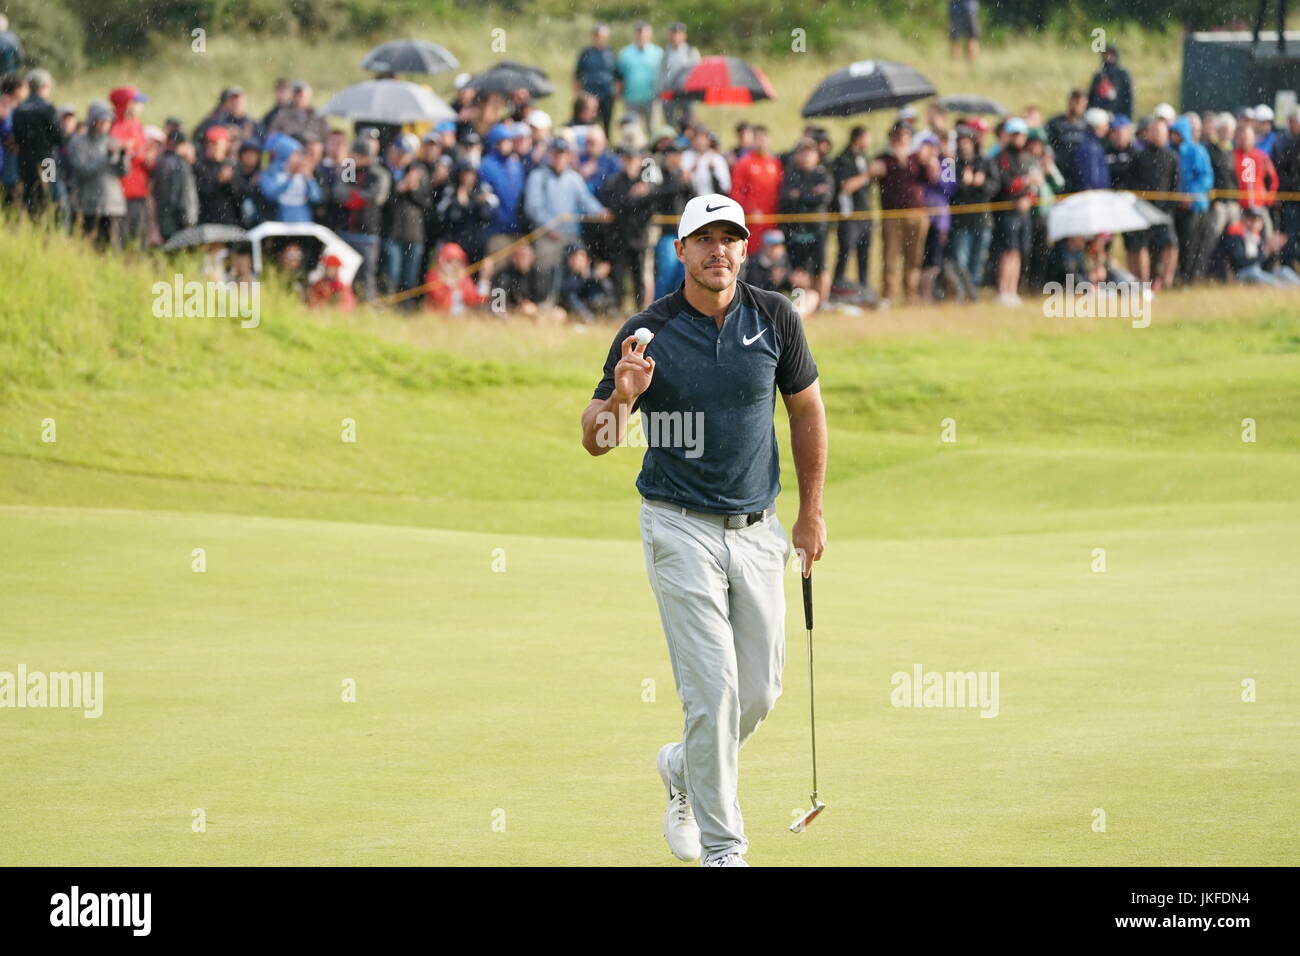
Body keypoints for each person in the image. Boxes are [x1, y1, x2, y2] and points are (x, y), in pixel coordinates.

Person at [580, 192, 826, 867]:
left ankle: (682, 768)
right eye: (705, 239)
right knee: (712, 690)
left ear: (744, 249)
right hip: (677, 526)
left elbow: (807, 411)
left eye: (731, 238)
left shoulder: (774, 316)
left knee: (759, 692)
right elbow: (597, 441)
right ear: (682, 250)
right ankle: (725, 848)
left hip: (758, 529)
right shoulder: (647, 329)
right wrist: (623, 395)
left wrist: (811, 511)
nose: (720, 250)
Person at [524, 137, 607, 291]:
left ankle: (575, 302)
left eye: (563, 154)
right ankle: (545, 303)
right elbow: (533, 207)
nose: (560, 157)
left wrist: (600, 211)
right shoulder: (538, 176)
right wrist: (549, 227)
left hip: (571, 235)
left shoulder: (573, 178)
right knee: (545, 265)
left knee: (581, 266)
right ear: (550, 154)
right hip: (546, 234)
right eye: (556, 153)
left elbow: (586, 200)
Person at [871, 121, 939, 306]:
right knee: (890, 257)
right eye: (898, 135)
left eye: (905, 136)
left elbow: (934, 179)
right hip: (892, 215)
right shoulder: (883, 158)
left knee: (914, 257)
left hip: (916, 213)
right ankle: (889, 295)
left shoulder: (917, 158)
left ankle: (911, 295)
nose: (901, 139)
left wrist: (931, 161)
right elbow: (874, 176)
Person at [333, 136, 391, 302]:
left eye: (357, 155)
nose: (353, 158)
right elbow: (338, 193)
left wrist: (354, 197)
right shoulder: (350, 168)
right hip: (346, 230)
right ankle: (343, 303)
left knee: (366, 274)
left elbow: (377, 197)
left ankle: (366, 304)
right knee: (343, 272)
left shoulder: (378, 172)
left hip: (367, 233)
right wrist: (358, 198)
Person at [598, 146, 657, 311]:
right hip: (618, 236)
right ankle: (617, 307)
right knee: (617, 276)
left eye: (633, 159)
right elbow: (614, 205)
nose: (629, 163)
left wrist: (634, 200)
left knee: (639, 278)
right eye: (626, 159)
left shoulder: (646, 184)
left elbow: (650, 208)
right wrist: (634, 199)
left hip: (638, 236)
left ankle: (640, 310)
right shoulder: (614, 181)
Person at [67, 101, 130, 250]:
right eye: (101, 120)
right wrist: (106, 156)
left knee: (113, 248)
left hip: (112, 205)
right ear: (92, 121)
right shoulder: (79, 143)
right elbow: (83, 171)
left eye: (108, 121)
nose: (105, 124)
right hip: (88, 204)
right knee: (90, 247)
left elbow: (123, 172)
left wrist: (121, 156)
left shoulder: (113, 141)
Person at [780, 137, 834, 308]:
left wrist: (800, 195)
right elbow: (786, 198)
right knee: (798, 270)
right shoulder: (791, 175)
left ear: (817, 155)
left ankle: (822, 303)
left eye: (809, 152)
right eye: (802, 152)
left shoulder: (823, 174)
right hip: (795, 231)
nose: (805, 156)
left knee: (821, 269)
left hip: (818, 230)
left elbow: (824, 198)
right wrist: (810, 194)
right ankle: (804, 304)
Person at [1126, 118, 1180, 289]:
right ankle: (1143, 283)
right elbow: (1130, 182)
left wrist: (1169, 206)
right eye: (1154, 132)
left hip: (1163, 210)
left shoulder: (1172, 157)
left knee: (1171, 245)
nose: (1157, 135)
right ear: (1147, 134)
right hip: (1142, 209)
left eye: (1161, 133)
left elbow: (1175, 184)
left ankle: (1166, 281)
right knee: (1139, 246)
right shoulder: (1139, 157)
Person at [383, 133, 433, 306]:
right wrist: (401, 188)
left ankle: (407, 310)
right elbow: (381, 202)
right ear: (392, 149)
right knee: (392, 275)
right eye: (400, 151)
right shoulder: (383, 168)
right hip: (391, 231)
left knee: (410, 278)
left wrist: (414, 188)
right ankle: (389, 307)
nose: (403, 157)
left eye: (407, 153)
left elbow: (427, 201)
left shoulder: (418, 171)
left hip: (414, 233)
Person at [949, 123, 997, 300]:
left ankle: (973, 294)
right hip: (960, 220)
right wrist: (964, 183)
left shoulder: (985, 161)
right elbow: (946, 189)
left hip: (982, 219)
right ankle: (963, 293)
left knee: (977, 261)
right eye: (960, 140)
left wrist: (981, 183)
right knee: (961, 260)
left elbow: (995, 186)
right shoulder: (951, 162)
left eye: (966, 140)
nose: (964, 144)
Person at [11, 68, 64, 222]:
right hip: (48, 160)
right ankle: (49, 230)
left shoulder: (19, 109)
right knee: (51, 197)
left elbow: (18, 137)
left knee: (30, 198)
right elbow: (60, 137)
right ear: (45, 86)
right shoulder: (48, 109)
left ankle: (33, 226)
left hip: (25, 161)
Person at [830, 126, 875, 298]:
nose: (869, 141)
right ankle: (836, 287)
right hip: (849, 215)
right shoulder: (843, 159)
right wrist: (867, 176)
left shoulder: (864, 158)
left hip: (865, 215)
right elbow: (845, 186)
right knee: (845, 252)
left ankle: (864, 289)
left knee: (865, 255)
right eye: (867, 137)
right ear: (858, 138)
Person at [1170, 115, 1213, 282]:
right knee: (1178, 243)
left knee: (1191, 244)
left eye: (1176, 133)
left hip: (1194, 207)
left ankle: (1189, 277)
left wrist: (1190, 196)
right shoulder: (1170, 150)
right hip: (1175, 207)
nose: (1173, 136)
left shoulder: (1197, 151)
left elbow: (1206, 178)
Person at [649, 138, 693, 298]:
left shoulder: (682, 176)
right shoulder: (658, 174)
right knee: (666, 274)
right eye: (675, 154)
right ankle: (659, 308)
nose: (678, 158)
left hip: (683, 234)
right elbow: (655, 195)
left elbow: (692, 199)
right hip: (665, 233)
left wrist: (688, 184)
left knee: (682, 276)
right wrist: (679, 184)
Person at [729, 125, 782, 256]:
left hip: (771, 219)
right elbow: (736, 192)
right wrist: (750, 209)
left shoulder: (775, 163)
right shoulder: (744, 163)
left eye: (764, 138)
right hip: (752, 221)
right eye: (757, 138)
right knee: (752, 255)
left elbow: (780, 189)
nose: (761, 141)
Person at [108, 86, 151, 248]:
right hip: (123, 194)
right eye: (137, 102)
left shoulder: (136, 125)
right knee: (123, 241)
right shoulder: (115, 126)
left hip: (139, 191)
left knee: (140, 241)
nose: (141, 106)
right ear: (128, 104)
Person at [1220, 206, 1300, 284]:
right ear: (1245, 219)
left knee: (1284, 270)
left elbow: (1267, 266)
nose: (1255, 222)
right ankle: (1282, 286)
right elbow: (1242, 263)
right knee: (1254, 272)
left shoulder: (1260, 240)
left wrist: (1274, 250)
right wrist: (1265, 252)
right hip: (1241, 275)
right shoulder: (1236, 238)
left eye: (1258, 219)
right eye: (1252, 218)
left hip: (1260, 274)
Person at [260, 133, 321, 223]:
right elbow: (271, 195)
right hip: (279, 223)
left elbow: (316, 198)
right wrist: (290, 177)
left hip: (303, 223)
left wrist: (309, 179)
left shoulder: (305, 173)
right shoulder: (270, 173)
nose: (299, 158)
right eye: (295, 154)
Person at [615, 21, 663, 134]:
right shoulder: (625, 53)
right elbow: (619, 75)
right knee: (631, 129)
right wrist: (618, 91)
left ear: (650, 35)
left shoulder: (658, 53)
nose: (641, 36)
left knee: (652, 128)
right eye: (639, 33)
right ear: (635, 35)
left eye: (644, 33)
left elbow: (664, 75)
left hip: (651, 97)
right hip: (631, 97)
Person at [489, 242, 557, 318]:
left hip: (536, 310)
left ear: (532, 257)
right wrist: (516, 308)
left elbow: (545, 298)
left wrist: (534, 307)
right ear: (513, 258)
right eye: (520, 256)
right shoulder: (503, 275)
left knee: (558, 314)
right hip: (510, 312)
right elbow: (497, 302)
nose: (524, 259)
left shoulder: (540, 274)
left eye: (526, 255)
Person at [152, 131, 198, 242]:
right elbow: (184, 195)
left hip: (168, 217)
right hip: (176, 218)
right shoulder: (177, 164)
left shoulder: (162, 161)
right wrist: (188, 218)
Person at [424, 241, 490, 314]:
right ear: (442, 263)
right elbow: (442, 305)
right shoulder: (433, 277)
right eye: (450, 261)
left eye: (459, 262)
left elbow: (477, 301)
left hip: (461, 321)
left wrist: (484, 278)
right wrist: (452, 284)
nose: (455, 266)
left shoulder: (464, 279)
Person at [557, 241, 615, 321]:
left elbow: (608, 290)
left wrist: (598, 277)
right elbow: (565, 290)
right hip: (568, 306)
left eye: (583, 257)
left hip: (588, 303)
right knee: (571, 296)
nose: (580, 260)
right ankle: (588, 319)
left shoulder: (591, 273)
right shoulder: (561, 272)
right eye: (576, 257)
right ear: (569, 259)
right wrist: (585, 278)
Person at [658, 22, 700, 131]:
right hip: (670, 92)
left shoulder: (691, 52)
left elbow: (697, 73)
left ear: (684, 35)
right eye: (673, 34)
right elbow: (662, 73)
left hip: (686, 93)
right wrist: (660, 90)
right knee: (669, 123)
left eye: (678, 34)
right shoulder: (666, 52)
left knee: (688, 122)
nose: (675, 37)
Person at [1088, 44, 1134, 122]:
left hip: (1118, 116)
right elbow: (1091, 97)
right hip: (1099, 117)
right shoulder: (1099, 76)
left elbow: (1128, 98)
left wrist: (1127, 117)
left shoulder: (1123, 75)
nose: (1108, 57)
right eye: (1105, 54)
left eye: (1111, 54)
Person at [742, 228, 793, 293]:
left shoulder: (785, 260)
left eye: (779, 245)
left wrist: (786, 280)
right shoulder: (753, 262)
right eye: (773, 246)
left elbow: (789, 287)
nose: (777, 249)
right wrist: (771, 279)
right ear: (764, 247)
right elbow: (754, 287)